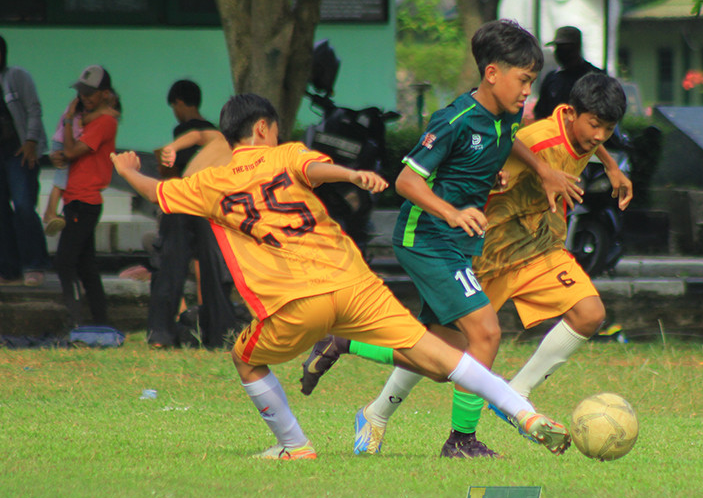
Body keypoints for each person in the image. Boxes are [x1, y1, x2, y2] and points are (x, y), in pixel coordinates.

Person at [111, 93, 571, 459]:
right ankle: (525, 415)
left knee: (245, 358)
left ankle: (295, 446)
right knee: (442, 357)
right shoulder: (286, 153)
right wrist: (350, 174)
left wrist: (129, 170)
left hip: (293, 304)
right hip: (356, 286)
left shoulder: (210, 182)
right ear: (262, 128)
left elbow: (157, 191)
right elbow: (314, 168)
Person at [306, 20, 570, 459]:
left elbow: (506, 142)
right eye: (523, 80)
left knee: (443, 355)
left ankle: (343, 342)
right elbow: (407, 181)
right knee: (484, 334)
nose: (528, 91)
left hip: (455, 244)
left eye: (531, 81)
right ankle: (461, 440)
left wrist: (535, 171)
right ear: (491, 74)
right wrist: (453, 210)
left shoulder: (503, 117)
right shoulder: (454, 121)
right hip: (426, 238)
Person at [146, 80, 242, 349]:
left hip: (181, 199)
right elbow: (198, 135)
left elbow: (198, 135)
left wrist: (173, 148)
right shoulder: (238, 145)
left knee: (170, 267)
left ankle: (160, 335)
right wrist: (174, 148)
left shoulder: (220, 138)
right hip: (199, 202)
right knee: (214, 271)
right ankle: (219, 335)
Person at [50, 65, 119, 326]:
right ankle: (100, 320)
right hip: (76, 199)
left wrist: (68, 119)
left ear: (104, 94)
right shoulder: (93, 119)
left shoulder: (105, 122)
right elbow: (67, 153)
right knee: (87, 266)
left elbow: (71, 152)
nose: (84, 98)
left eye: (90, 93)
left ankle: (76, 320)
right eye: (81, 93)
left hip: (84, 201)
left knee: (65, 262)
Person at [0, 35, 49, 287]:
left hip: (20, 151)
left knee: (23, 205)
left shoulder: (17, 76)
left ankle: (34, 263)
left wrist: (31, 141)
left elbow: (34, 109)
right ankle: (8, 268)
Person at [533, 26, 603, 121]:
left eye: (566, 49)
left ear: (577, 48)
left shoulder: (595, 77)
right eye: (558, 48)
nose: (561, 53)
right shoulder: (552, 79)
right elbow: (540, 113)